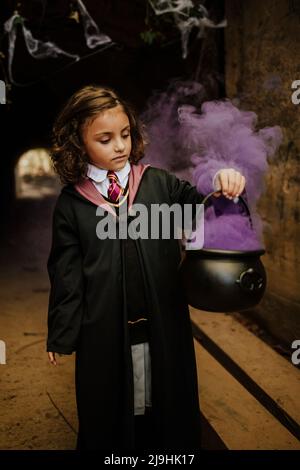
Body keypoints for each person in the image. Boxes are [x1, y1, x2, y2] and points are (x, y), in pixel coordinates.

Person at [46, 85, 246, 451]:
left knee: (166, 407)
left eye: (125, 135)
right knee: (112, 411)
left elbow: (201, 205)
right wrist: (62, 332)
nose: (119, 146)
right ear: (78, 143)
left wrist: (220, 183)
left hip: (162, 320)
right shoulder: (72, 205)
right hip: (103, 328)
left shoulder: (158, 184)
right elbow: (66, 273)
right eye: (104, 139)